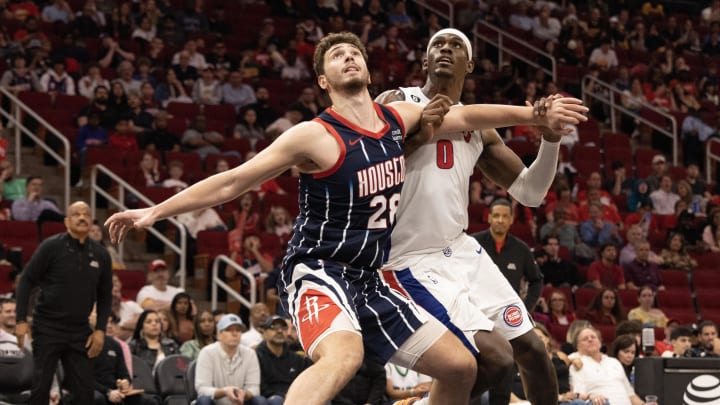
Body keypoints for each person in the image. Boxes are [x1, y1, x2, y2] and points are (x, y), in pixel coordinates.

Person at [105, 31, 587, 405]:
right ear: (323, 81)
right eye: (336, 57)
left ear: (369, 70)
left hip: (370, 277)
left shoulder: (394, 120)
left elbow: (467, 117)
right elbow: (235, 180)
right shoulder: (314, 136)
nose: (348, 58)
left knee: (462, 368)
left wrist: (534, 114)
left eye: (354, 53)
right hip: (320, 268)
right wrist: (156, 210)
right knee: (345, 355)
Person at [375, 28, 586, 405]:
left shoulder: (479, 127)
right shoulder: (397, 100)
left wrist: (550, 139)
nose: (445, 49)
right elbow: (369, 160)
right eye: (437, 44)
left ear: (469, 65)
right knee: (495, 360)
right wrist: (417, 135)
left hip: (459, 251)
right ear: (424, 61)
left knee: (534, 353)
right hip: (408, 258)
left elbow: (531, 192)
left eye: (456, 46)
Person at [15, 201, 112, 405]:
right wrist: (21, 319)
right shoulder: (51, 246)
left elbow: (105, 295)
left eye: (86, 213)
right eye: (76, 214)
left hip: (80, 330)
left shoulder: (101, 254)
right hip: (47, 326)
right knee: (41, 388)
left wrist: (101, 329)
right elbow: (26, 280)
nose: (82, 217)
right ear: (67, 221)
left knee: (85, 393)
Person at [89, 310, 159, 405]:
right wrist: (107, 392)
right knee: (97, 399)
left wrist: (124, 383)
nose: (109, 325)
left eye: (111, 322)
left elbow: (124, 374)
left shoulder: (114, 344)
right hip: (92, 389)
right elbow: (82, 378)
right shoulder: (80, 343)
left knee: (149, 401)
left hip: (115, 391)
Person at [195, 314, 268, 405]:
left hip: (241, 402)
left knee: (260, 401)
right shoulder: (206, 352)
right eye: (229, 330)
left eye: (238, 330)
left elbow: (254, 389)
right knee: (204, 401)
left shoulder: (250, 354)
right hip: (215, 402)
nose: (235, 334)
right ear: (219, 335)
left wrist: (244, 394)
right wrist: (224, 391)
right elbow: (202, 389)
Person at [569, 327, 646, 405]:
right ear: (578, 346)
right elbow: (578, 395)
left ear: (600, 342)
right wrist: (591, 397)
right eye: (585, 339)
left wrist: (644, 404)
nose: (590, 339)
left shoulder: (614, 362)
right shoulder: (576, 364)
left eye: (593, 337)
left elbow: (631, 395)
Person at [255, 315, 312, 405]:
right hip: (270, 398)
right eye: (274, 327)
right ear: (264, 333)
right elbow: (261, 387)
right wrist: (283, 396)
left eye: (283, 328)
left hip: (294, 396)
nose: (280, 331)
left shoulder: (296, 358)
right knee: (276, 401)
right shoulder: (256, 356)